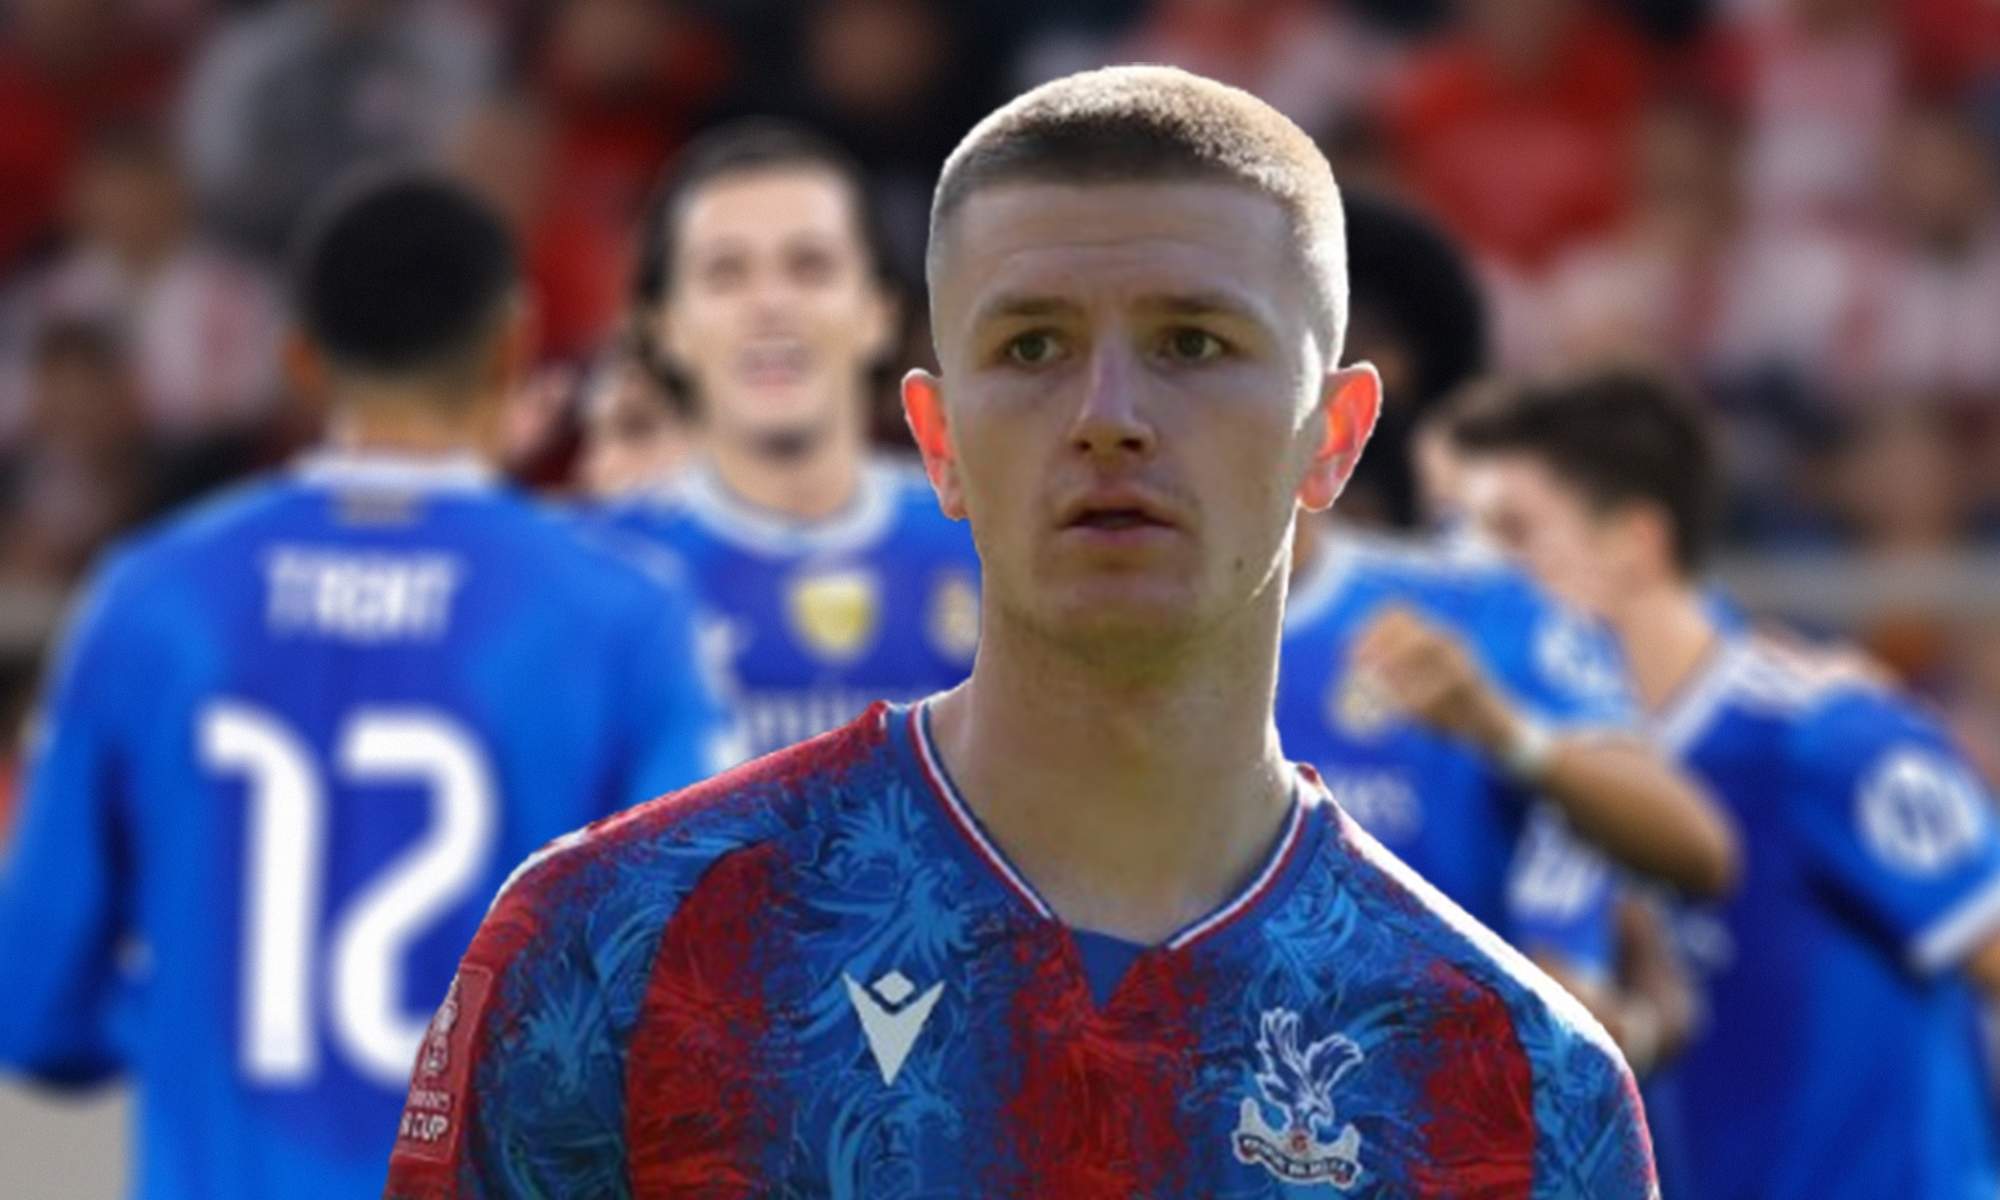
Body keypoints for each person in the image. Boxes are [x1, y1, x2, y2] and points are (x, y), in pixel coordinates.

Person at [384, 66, 1656, 1197]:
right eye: (1032, 344)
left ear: (1330, 437)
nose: (1108, 413)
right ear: (936, 441)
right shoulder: (619, 949)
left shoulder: (1519, 1081)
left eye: (1193, 342)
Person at [0, 174, 733, 1200]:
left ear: (300, 360)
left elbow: (30, 1010)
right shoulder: (620, 618)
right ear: (509, 348)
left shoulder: (151, 600)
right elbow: (700, 1008)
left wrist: (187, 1011)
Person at [1453, 366, 2000, 1199]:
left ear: (1633, 543)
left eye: (1517, 533)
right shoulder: (1543, 791)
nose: (1478, 571)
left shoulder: (1826, 741)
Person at [602, 119, 980, 756]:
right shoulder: (604, 574)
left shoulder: (991, 553)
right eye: (726, 273)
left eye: (809, 267)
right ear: (664, 327)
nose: (770, 303)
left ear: (880, 313)